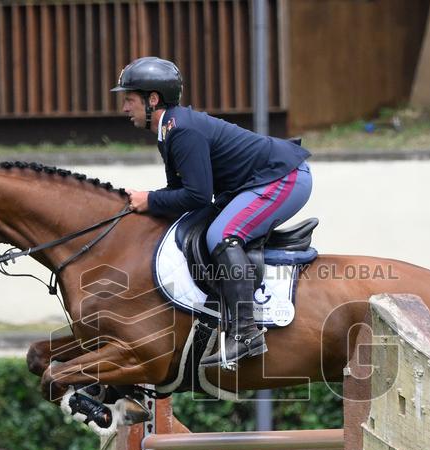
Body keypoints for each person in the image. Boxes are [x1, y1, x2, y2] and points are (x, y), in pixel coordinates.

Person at [111, 56, 312, 368]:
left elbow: (197, 196)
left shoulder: (182, 131)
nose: (125, 108)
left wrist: (149, 199)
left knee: (223, 235)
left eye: (129, 99)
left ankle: (246, 334)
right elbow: (184, 194)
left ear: (153, 100)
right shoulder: (170, 129)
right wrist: (146, 200)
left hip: (284, 179)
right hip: (265, 181)